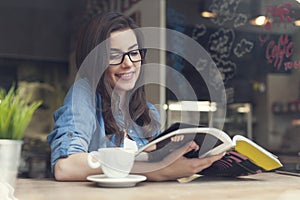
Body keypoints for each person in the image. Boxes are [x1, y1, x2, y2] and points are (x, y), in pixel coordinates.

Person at [47, 11, 225, 181]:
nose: (128, 64)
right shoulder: (84, 93)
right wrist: (153, 171)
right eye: (114, 55)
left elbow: (157, 164)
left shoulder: (148, 112)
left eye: (133, 53)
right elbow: (65, 167)